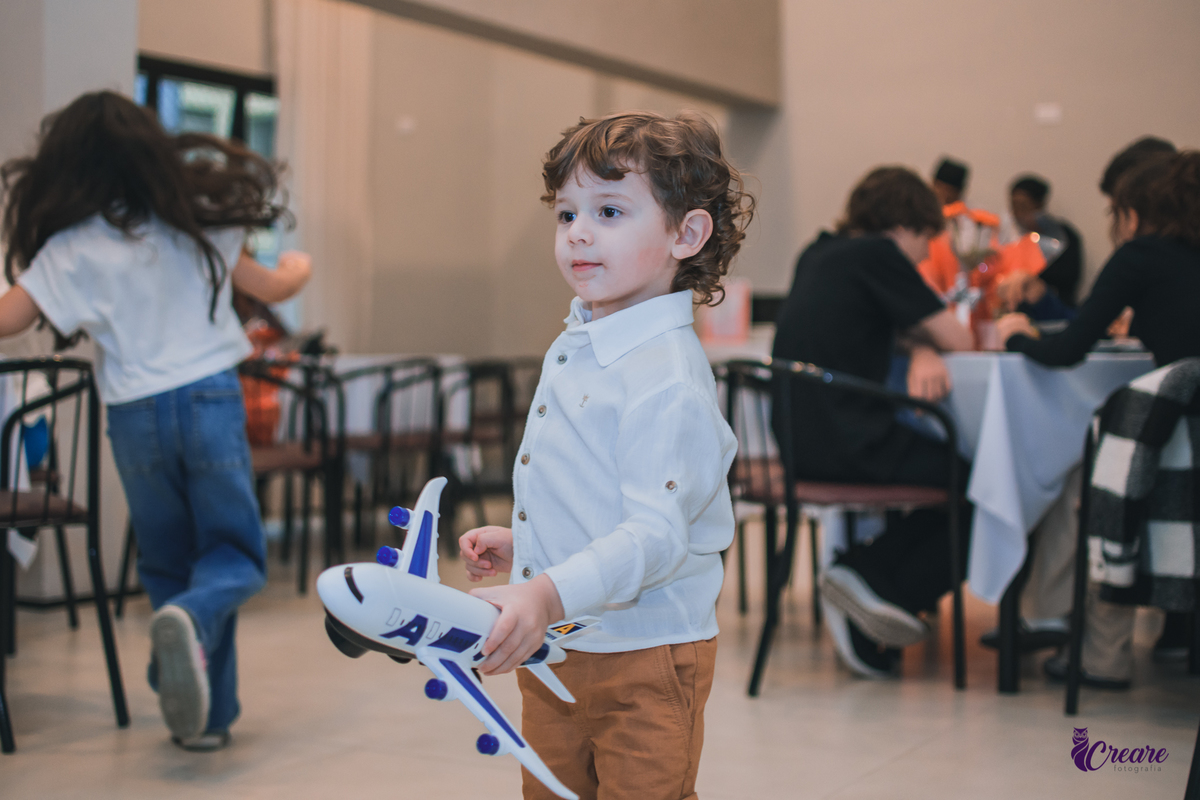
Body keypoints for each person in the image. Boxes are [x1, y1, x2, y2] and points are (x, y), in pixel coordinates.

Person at [0, 91, 311, 750]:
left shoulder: (70, 246)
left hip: (133, 417)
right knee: (234, 556)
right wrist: (296, 265)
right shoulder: (195, 220)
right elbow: (277, 289)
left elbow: (10, 319)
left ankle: (200, 717)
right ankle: (193, 637)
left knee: (169, 560)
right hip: (208, 402)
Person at [457, 111, 751, 800]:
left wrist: (545, 588)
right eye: (566, 215)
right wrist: (531, 545)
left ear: (687, 233)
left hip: (646, 658)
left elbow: (654, 534)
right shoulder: (583, 339)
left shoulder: (668, 378)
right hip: (559, 644)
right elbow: (598, 488)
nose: (579, 233)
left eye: (610, 210)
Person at [998, 148, 1200, 687]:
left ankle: (1101, 651)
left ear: (1133, 209)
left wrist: (1016, 335)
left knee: (1092, 471)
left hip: (1171, 443)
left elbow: (1067, 352)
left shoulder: (1142, 256)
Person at [772, 166, 973, 678]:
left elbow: (876, 327)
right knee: (981, 487)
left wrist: (919, 344)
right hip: (851, 439)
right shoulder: (878, 255)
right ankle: (872, 579)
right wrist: (932, 342)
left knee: (954, 475)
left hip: (800, 438)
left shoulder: (819, 252)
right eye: (927, 238)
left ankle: (873, 585)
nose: (927, 255)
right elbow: (960, 338)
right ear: (905, 224)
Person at [995, 175, 1084, 318]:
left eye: (1023, 206)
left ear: (1039, 205)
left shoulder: (1063, 236)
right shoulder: (1007, 235)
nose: (1017, 213)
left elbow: (1069, 277)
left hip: (1054, 309)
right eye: (1013, 206)